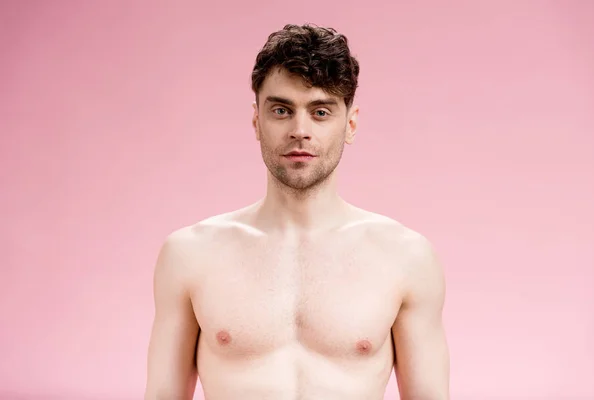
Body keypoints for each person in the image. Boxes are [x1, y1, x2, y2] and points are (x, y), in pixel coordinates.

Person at [144, 23, 450, 400]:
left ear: (350, 124)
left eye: (320, 111)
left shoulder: (406, 256)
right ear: (257, 120)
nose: (300, 130)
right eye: (281, 110)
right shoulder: (189, 254)